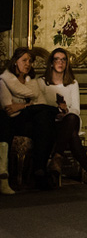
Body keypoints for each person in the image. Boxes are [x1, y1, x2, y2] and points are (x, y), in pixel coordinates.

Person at [39, 47, 87, 187]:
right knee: (73, 136)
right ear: (51, 63)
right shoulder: (41, 82)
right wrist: (56, 111)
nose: (60, 62)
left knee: (71, 118)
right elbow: (39, 106)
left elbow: (76, 110)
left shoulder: (72, 83)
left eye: (63, 60)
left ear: (66, 64)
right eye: (57, 59)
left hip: (69, 120)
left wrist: (66, 110)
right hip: (50, 123)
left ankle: (57, 158)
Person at [0, 47, 57, 189]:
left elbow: (40, 104)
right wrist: (28, 105)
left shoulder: (32, 82)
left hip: (29, 123)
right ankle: (40, 171)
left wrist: (20, 105)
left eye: (30, 61)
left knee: (45, 120)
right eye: (24, 60)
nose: (28, 64)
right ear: (15, 62)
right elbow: (9, 109)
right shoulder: (4, 81)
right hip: (12, 122)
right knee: (47, 113)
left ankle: (39, 170)